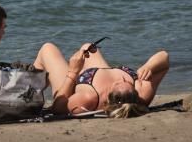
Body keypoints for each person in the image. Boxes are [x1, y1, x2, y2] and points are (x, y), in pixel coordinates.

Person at [33, 41, 169, 118]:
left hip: (69, 85)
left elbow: (58, 108)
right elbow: (164, 57)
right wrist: (148, 66)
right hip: (94, 72)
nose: (123, 78)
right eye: (128, 82)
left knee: (47, 49)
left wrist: (73, 72)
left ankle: (27, 96)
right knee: (88, 47)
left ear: (108, 97)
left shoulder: (89, 98)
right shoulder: (142, 92)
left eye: (119, 83)